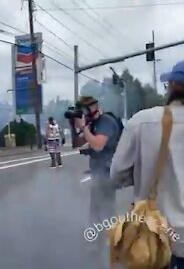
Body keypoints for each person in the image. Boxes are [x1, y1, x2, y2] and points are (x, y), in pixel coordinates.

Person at [111, 59, 184, 269]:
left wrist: (146, 175)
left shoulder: (142, 121)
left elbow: (117, 176)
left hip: (152, 239)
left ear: (173, 86)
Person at [73, 96, 122, 266]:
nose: (82, 113)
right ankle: (100, 242)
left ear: (92, 108)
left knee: (105, 209)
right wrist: (79, 128)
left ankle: (112, 244)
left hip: (107, 171)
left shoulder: (106, 121)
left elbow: (98, 145)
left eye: (84, 110)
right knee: (96, 209)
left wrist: (84, 128)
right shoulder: (93, 124)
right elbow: (78, 143)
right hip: (98, 171)